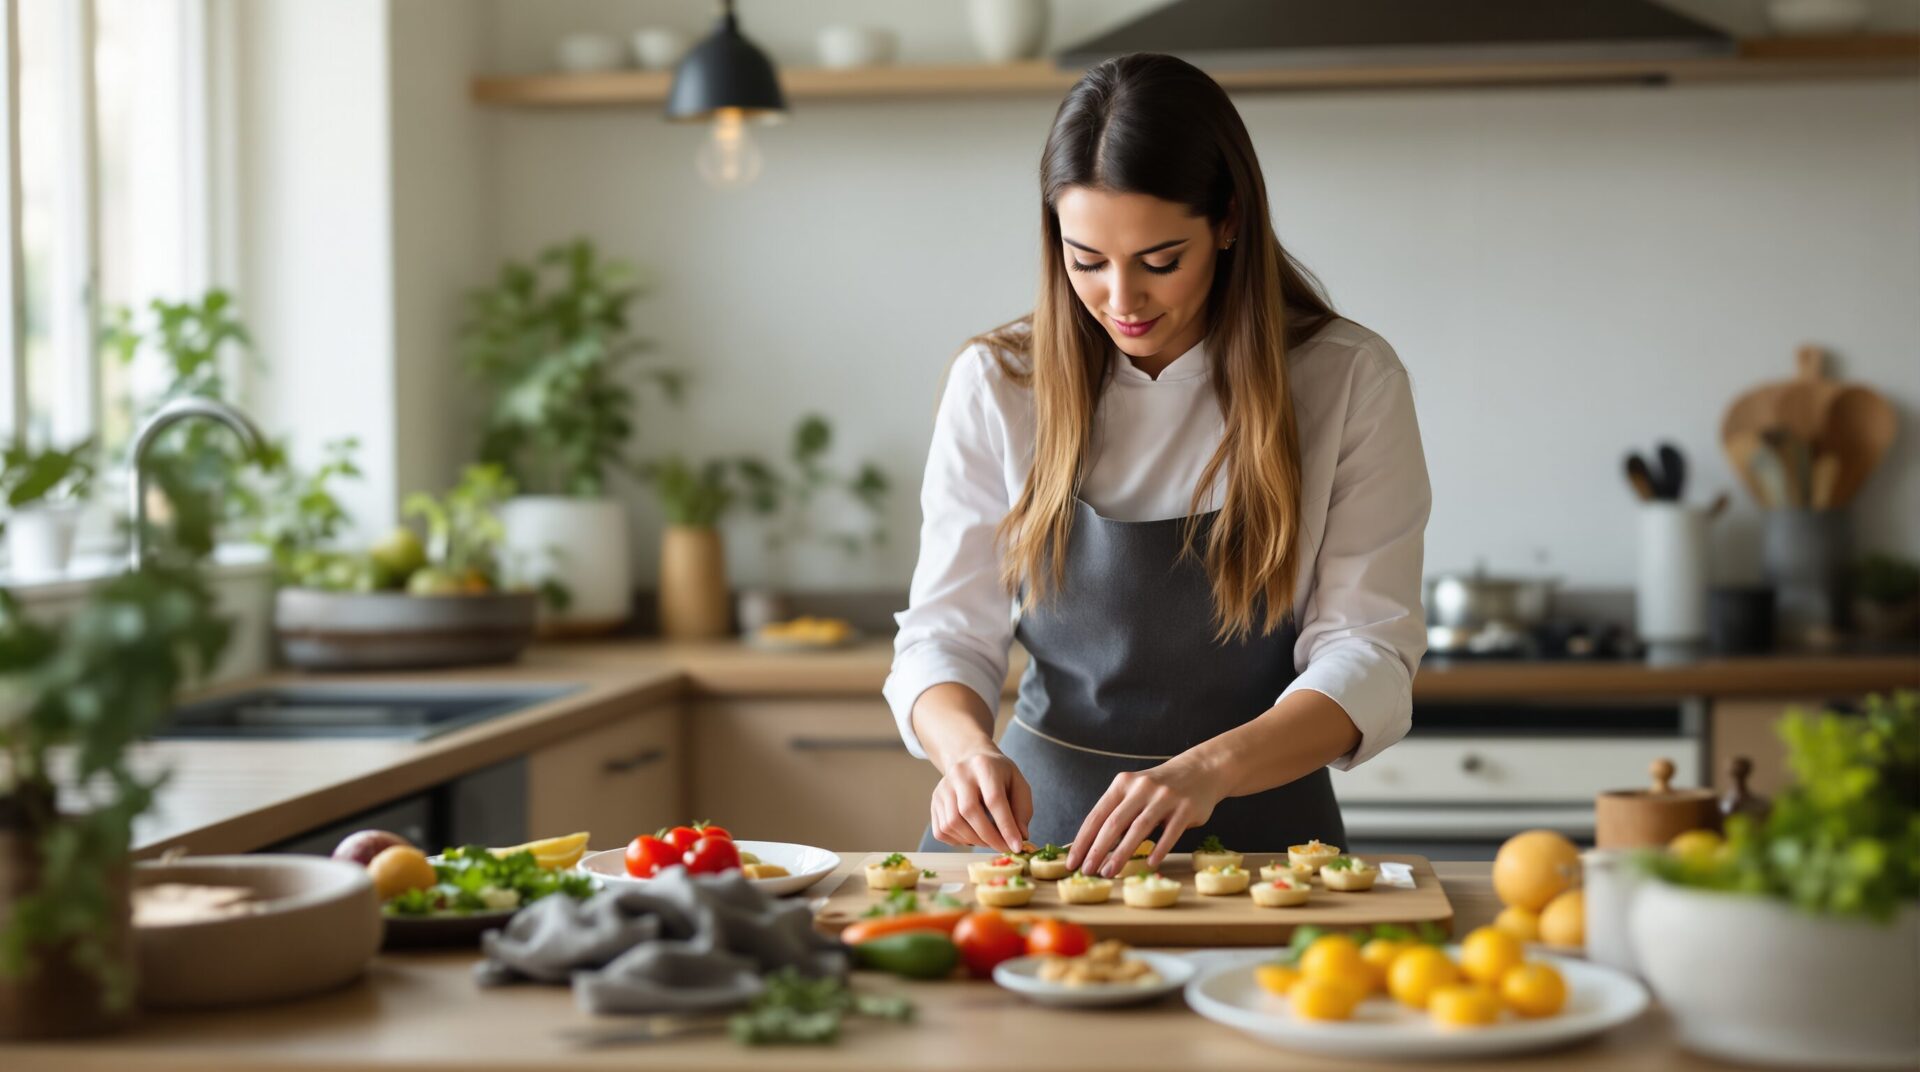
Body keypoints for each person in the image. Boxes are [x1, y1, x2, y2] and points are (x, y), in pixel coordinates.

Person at [883, 53, 1431, 879]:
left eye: (1160, 260)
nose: (1121, 302)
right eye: (1086, 261)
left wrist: (1207, 771)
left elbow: (1369, 650)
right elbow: (946, 634)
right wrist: (963, 752)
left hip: (1266, 847)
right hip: (1035, 842)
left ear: (1230, 220)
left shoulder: (1348, 379)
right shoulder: (1000, 383)